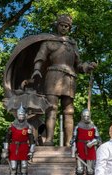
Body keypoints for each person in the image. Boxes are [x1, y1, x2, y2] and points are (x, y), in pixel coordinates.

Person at [31, 14, 97, 146]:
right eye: (62, 25)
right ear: (57, 25)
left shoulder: (73, 44)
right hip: (53, 76)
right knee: (51, 108)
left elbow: (78, 64)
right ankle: (48, 140)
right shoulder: (49, 41)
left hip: (69, 79)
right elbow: (40, 56)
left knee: (69, 111)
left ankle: (68, 143)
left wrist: (87, 66)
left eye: (67, 26)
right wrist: (37, 69)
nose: (64, 28)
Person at [2, 105, 35, 175]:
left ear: (25, 115)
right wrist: (5, 150)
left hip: (24, 148)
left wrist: (31, 152)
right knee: (13, 168)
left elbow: (32, 141)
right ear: (17, 115)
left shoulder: (28, 126)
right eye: (19, 114)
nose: (21, 116)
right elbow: (7, 139)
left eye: (22, 114)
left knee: (24, 167)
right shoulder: (12, 125)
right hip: (13, 148)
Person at [70, 109, 101, 175]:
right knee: (79, 170)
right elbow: (73, 140)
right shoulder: (78, 127)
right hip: (80, 149)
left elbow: (99, 140)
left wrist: (93, 142)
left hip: (90, 150)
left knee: (90, 170)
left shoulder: (94, 127)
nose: (86, 118)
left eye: (88, 116)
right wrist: (73, 150)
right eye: (84, 116)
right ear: (82, 116)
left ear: (90, 116)